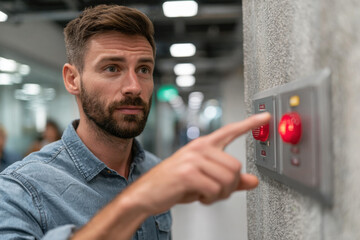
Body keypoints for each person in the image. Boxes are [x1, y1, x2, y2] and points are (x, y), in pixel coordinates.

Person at [0, 4, 271, 240]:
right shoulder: (20, 189)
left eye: (143, 69)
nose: (133, 86)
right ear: (73, 79)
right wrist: (136, 202)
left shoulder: (153, 169)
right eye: (112, 68)